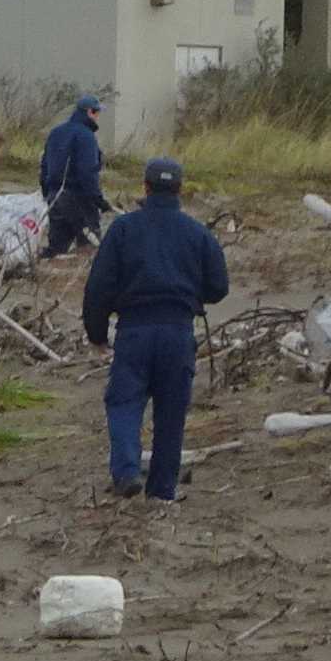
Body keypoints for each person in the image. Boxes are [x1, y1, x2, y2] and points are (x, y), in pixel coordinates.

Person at [81, 157, 229, 501]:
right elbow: (219, 286)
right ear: (179, 189)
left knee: (124, 402)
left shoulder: (123, 229)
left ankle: (127, 471)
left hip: (135, 330)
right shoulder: (197, 232)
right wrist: (191, 295)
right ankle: (162, 490)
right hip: (178, 331)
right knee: (171, 413)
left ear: (145, 188)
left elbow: (99, 287)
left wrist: (97, 333)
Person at [36, 93, 109, 258]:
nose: (98, 117)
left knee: (55, 251)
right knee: (91, 250)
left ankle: (47, 281)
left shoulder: (55, 133)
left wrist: (47, 194)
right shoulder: (86, 136)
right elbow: (87, 173)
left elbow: (44, 166)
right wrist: (98, 200)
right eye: (97, 113)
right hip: (79, 200)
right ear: (90, 112)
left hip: (55, 198)